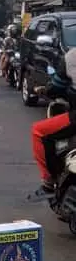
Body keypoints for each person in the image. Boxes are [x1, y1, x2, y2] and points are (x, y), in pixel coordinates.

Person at [29, 48, 76, 200]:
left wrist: (45, 90)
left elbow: (56, 87)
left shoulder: (71, 57)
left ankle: (49, 182)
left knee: (38, 131)